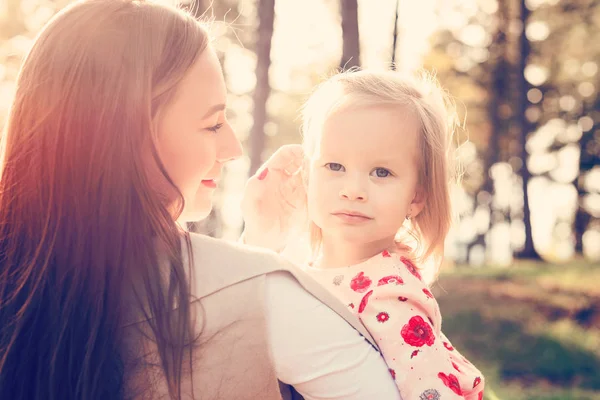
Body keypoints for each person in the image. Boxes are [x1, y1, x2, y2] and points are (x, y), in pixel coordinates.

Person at [0, 1, 403, 399]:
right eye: (212, 124)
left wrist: (256, 246)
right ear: (124, 135)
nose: (232, 149)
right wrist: (251, 270)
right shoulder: (269, 299)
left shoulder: (22, 288)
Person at [242, 70, 486, 399]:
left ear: (416, 196)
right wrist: (258, 233)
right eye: (334, 166)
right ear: (307, 174)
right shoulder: (298, 265)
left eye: (381, 172)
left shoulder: (390, 293)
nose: (353, 190)